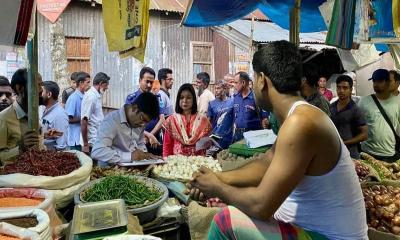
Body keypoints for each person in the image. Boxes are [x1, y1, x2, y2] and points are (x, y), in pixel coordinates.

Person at [187, 41, 367, 239]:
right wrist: (216, 178)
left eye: (254, 78)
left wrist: (217, 188)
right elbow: (265, 164)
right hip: (309, 231)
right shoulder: (298, 116)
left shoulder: (301, 122)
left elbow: (260, 205)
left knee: (225, 220)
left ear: (262, 80)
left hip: (329, 237)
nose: (254, 85)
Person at [91, 92, 159, 166]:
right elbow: (97, 151)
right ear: (134, 108)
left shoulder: (140, 122)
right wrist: (130, 156)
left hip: (132, 170)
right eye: (142, 119)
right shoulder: (111, 121)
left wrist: (145, 155)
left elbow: (140, 142)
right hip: (110, 171)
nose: (143, 124)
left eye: (147, 122)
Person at [0, 69, 45, 165]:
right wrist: (20, 148)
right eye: (37, 85)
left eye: (41, 85)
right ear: (19, 88)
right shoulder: (3, 119)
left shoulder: (33, 114)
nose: (41, 90)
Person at [358, 69, 400, 162]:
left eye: (380, 81)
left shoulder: (398, 102)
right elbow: (356, 123)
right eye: (374, 81)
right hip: (367, 153)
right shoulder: (364, 101)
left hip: (388, 154)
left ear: (388, 82)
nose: (376, 84)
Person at [162, 83, 211, 158]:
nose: (184, 100)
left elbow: (206, 144)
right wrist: (166, 160)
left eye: (188, 98)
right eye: (181, 97)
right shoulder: (171, 120)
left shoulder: (202, 120)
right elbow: (167, 145)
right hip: (178, 164)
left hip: (198, 162)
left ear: (193, 99)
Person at [125, 67, 164, 154]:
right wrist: (147, 135)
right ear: (140, 80)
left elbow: (162, 119)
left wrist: (152, 135)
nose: (149, 85)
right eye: (147, 82)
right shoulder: (131, 99)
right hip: (137, 142)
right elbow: (129, 122)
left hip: (154, 141)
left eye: (151, 82)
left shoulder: (156, 98)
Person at [330, 75, 368, 159]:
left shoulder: (355, 110)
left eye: (345, 88)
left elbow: (364, 135)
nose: (341, 91)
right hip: (333, 152)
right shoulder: (331, 107)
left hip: (351, 154)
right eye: (339, 87)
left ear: (351, 90)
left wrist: (345, 143)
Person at [232, 72, 268, 142]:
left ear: (243, 82)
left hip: (253, 136)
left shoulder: (256, 97)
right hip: (238, 135)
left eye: (236, 83)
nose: (234, 85)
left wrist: (265, 120)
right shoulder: (235, 98)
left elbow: (265, 117)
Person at [81, 72, 110, 154]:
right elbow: (84, 121)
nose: (107, 88)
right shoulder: (91, 96)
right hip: (91, 142)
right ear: (101, 83)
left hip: (97, 139)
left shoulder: (96, 96)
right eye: (106, 85)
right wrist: (86, 144)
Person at [65, 72, 91, 151]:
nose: (89, 85)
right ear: (81, 83)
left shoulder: (85, 96)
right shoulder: (73, 98)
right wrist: (84, 119)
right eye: (88, 82)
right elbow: (68, 119)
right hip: (75, 139)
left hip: (83, 138)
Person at [40, 81, 68, 151]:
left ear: (49, 94)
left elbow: (61, 146)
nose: (38, 95)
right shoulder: (46, 109)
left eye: (41, 93)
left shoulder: (59, 115)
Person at [207, 80, 234, 149]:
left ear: (224, 89)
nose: (216, 90)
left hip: (228, 138)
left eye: (218, 88)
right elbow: (208, 122)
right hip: (215, 138)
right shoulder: (211, 103)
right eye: (215, 88)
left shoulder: (232, 102)